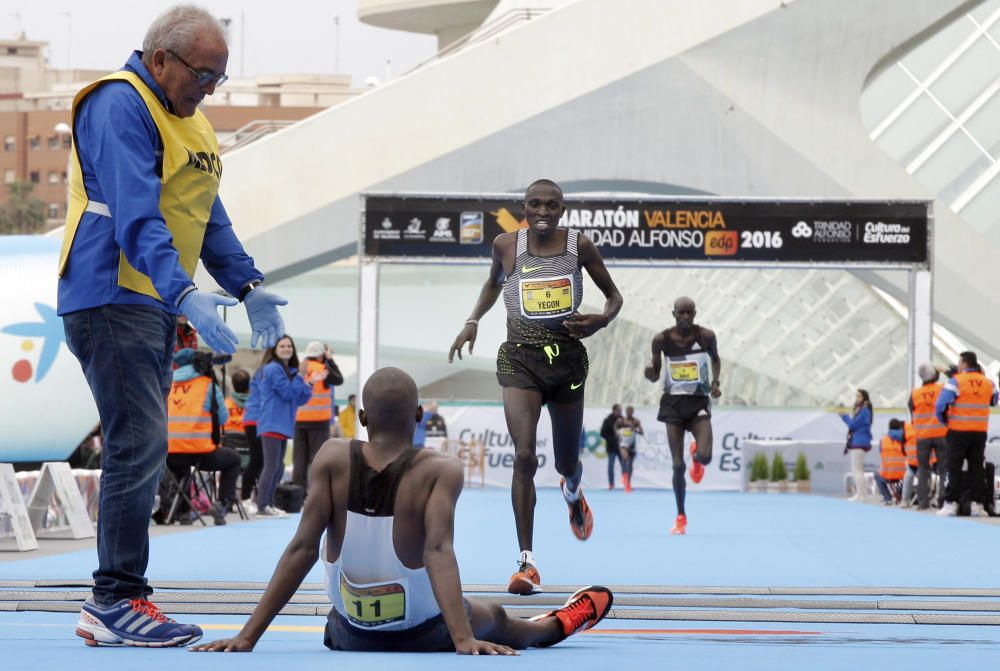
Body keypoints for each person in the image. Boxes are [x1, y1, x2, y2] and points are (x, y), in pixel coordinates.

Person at [61, 5, 287, 648]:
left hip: (151, 303)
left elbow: (207, 217)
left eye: (219, 79)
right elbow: (136, 214)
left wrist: (247, 284)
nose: (209, 88)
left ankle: (119, 597)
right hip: (111, 294)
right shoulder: (119, 103)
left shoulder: (194, 126)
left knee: (142, 442)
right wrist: (186, 292)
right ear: (160, 59)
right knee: (139, 443)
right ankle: (116, 599)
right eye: (202, 75)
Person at [192, 367, 612, 655]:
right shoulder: (439, 469)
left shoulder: (332, 457)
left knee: (460, 609)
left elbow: (302, 549)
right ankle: (556, 624)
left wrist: (248, 636)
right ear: (417, 416)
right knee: (501, 619)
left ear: (361, 417)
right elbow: (437, 552)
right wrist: (462, 639)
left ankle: (500, 622)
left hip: (349, 635)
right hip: (431, 634)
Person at [448, 179, 622, 595]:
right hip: (519, 359)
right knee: (523, 455)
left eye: (552, 205)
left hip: (566, 362)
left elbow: (614, 296)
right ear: (524, 207)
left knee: (565, 462)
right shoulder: (506, 245)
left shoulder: (580, 246)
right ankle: (527, 562)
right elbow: (493, 283)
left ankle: (572, 489)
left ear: (562, 209)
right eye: (535, 204)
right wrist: (473, 320)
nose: (543, 211)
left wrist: (601, 319)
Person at [644, 297, 721, 535]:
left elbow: (716, 359)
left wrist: (716, 382)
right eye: (681, 313)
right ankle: (681, 517)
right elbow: (655, 374)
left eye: (689, 313)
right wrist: (649, 374)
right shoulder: (661, 340)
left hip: (698, 402)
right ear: (673, 313)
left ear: (695, 313)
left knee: (706, 456)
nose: (685, 317)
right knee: (678, 465)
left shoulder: (706, 336)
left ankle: (696, 458)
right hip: (673, 405)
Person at [162, 348, 241, 525]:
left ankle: (183, 512)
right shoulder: (207, 385)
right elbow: (223, 418)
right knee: (234, 459)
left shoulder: (167, 384)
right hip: (199, 452)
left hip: (168, 452)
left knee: (181, 469)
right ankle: (221, 504)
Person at [256, 335, 315, 517]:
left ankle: (270, 503)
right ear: (274, 349)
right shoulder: (274, 368)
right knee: (272, 466)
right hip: (272, 422)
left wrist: (308, 383)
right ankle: (263, 505)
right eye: (282, 346)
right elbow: (288, 393)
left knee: (278, 467)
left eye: (289, 346)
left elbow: (299, 398)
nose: (287, 349)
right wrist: (299, 377)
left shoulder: (287, 371)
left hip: (281, 424)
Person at [936, 351, 997, 517]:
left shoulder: (955, 381)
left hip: (958, 431)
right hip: (979, 432)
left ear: (964, 363)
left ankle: (950, 504)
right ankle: (977, 506)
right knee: (977, 468)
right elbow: (994, 400)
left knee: (953, 467)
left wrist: (946, 423)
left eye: (959, 362)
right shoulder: (989, 383)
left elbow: (940, 405)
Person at [293, 342, 344, 492]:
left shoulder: (299, 369)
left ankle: (298, 494)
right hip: (319, 421)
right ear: (322, 355)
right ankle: (317, 493)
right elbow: (339, 379)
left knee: (299, 460)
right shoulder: (324, 370)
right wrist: (330, 360)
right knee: (316, 459)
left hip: (300, 419)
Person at [909, 362, 948, 509]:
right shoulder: (942, 389)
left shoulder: (914, 394)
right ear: (935, 375)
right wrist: (943, 369)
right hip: (941, 433)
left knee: (923, 469)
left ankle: (923, 503)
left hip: (923, 435)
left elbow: (912, 411)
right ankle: (943, 501)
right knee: (944, 469)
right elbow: (957, 379)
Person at [839, 389, 873, 502]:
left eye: (859, 396)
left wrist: (844, 416)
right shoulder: (863, 410)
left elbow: (853, 425)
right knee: (858, 469)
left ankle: (861, 495)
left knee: (856, 469)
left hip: (859, 442)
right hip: (859, 441)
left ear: (864, 397)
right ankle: (861, 495)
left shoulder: (864, 411)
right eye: (856, 396)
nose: (857, 398)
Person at [240, 365, 264, 513]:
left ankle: (254, 498)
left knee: (261, 462)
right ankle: (246, 498)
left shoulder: (261, 375)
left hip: (258, 420)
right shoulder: (265, 374)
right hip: (256, 421)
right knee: (257, 461)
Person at [873, 419, 906, 505]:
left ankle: (887, 498)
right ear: (900, 428)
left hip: (887, 474)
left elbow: (881, 453)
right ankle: (899, 494)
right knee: (910, 477)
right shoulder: (905, 439)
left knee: (876, 475)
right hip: (903, 474)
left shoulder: (883, 440)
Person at [615, 406, 644, 493]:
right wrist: (619, 433)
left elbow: (642, 432)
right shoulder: (621, 421)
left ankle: (628, 482)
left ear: (633, 412)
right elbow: (615, 429)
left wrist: (634, 429)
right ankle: (625, 479)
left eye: (631, 411)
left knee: (630, 464)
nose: (629, 412)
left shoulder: (636, 421)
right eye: (628, 411)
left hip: (632, 445)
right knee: (625, 459)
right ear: (626, 411)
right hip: (623, 444)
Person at [600, 404, 622, 490]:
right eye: (618, 410)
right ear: (614, 410)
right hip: (611, 447)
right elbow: (602, 433)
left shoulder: (623, 420)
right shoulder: (608, 420)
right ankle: (611, 484)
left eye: (621, 410)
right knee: (611, 466)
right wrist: (612, 440)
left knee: (625, 466)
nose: (620, 412)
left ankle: (627, 484)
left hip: (621, 447)